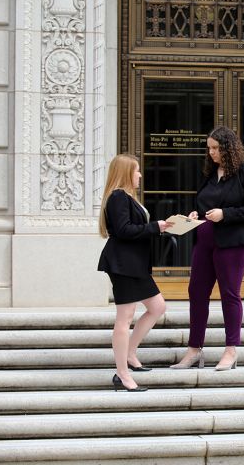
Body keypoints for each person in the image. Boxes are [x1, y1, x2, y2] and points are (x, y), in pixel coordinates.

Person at [171, 126, 244, 371]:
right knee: (196, 292)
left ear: (228, 148)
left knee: (229, 294)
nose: (211, 152)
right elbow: (204, 206)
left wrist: (226, 214)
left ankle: (231, 350)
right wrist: (195, 215)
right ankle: (194, 349)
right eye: (209, 148)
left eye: (215, 148)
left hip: (233, 242)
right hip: (205, 240)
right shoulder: (211, 173)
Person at [98, 154, 172, 392]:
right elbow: (124, 230)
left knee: (158, 307)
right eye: (137, 170)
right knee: (125, 318)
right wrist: (156, 226)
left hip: (134, 264)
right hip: (123, 264)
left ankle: (129, 353)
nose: (140, 175)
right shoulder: (118, 196)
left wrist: (165, 225)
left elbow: (135, 229)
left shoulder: (127, 198)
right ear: (126, 172)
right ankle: (122, 373)